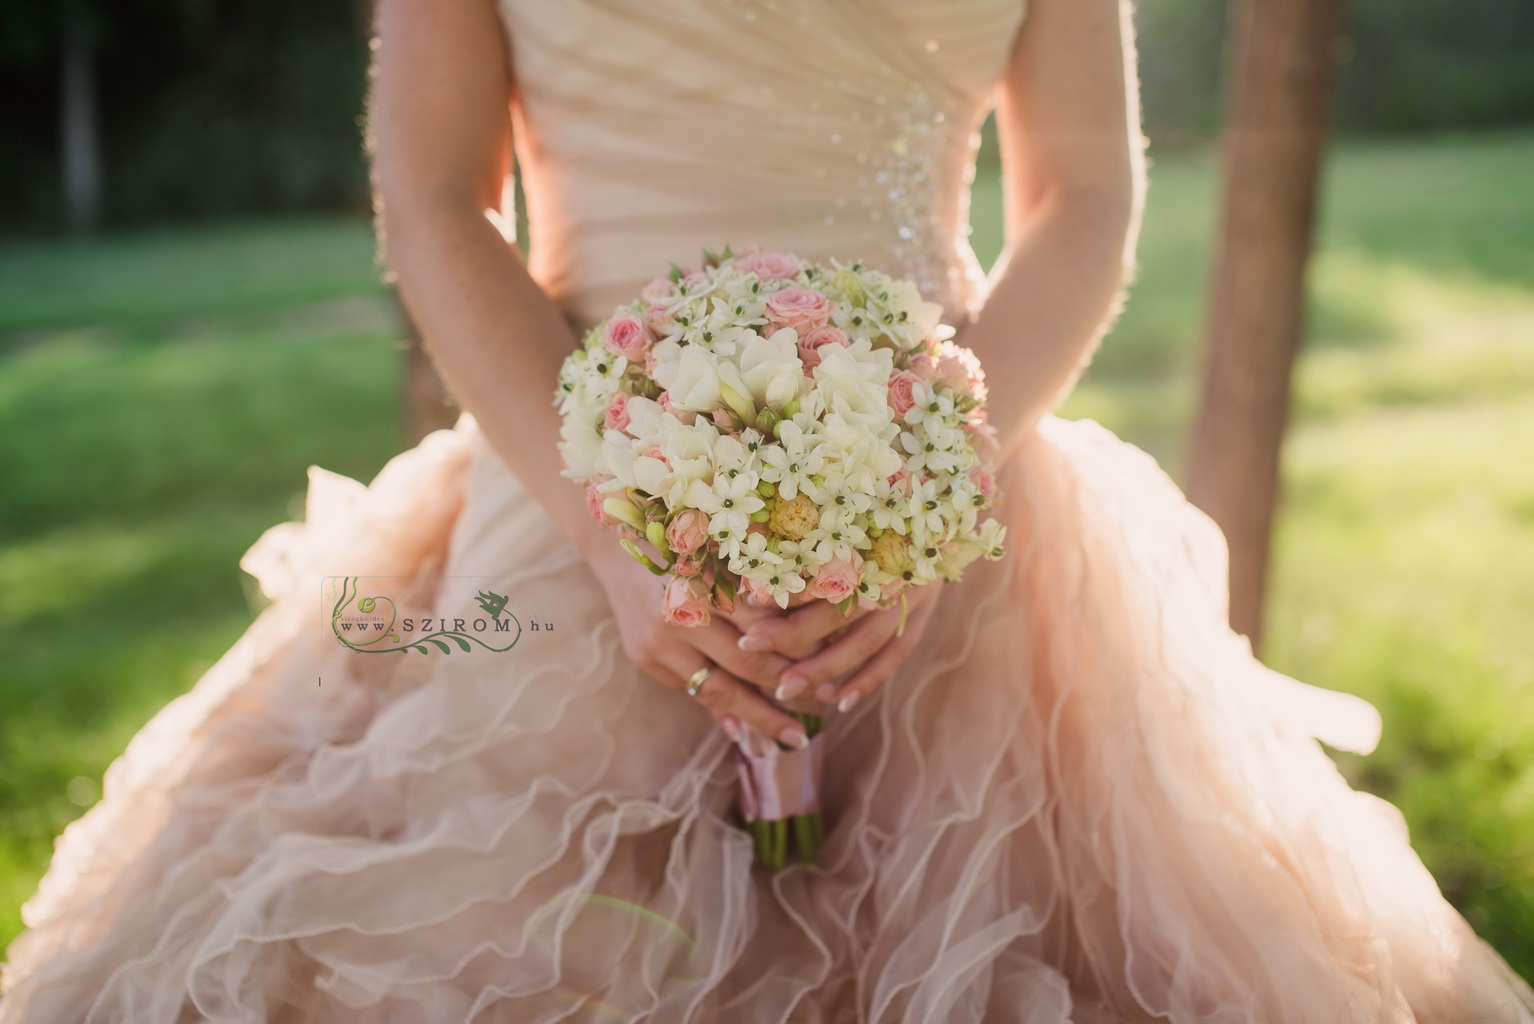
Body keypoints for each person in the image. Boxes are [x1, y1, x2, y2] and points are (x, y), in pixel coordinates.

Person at [3, 0, 1532, 1020]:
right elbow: (432, 191)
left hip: (956, 478)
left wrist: (925, 495)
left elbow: (1083, 200)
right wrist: (609, 528)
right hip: (571, 488)